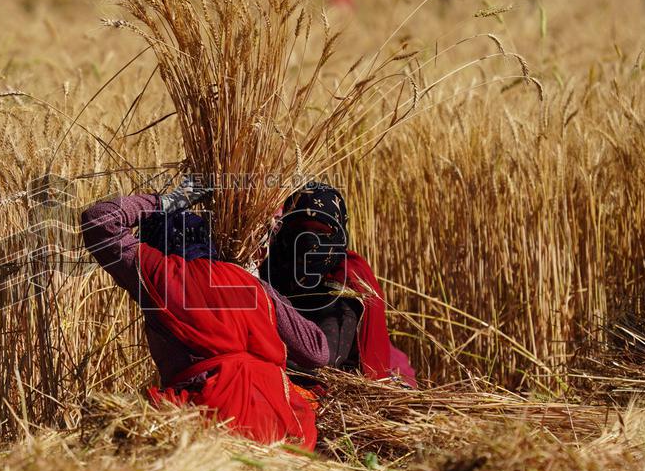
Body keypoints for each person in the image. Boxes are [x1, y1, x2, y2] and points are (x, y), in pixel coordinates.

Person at [80, 179, 330, 450]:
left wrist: (163, 202)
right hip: (284, 426)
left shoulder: (161, 274)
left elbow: (99, 219)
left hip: (213, 425)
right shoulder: (248, 282)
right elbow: (317, 352)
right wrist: (260, 283)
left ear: (155, 245)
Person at [261, 182, 417, 388]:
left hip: (331, 383)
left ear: (338, 234)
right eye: (299, 229)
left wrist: (262, 356)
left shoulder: (346, 287)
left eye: (321, 232)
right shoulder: (269, 267)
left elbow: (324, 362)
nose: (308, 241)